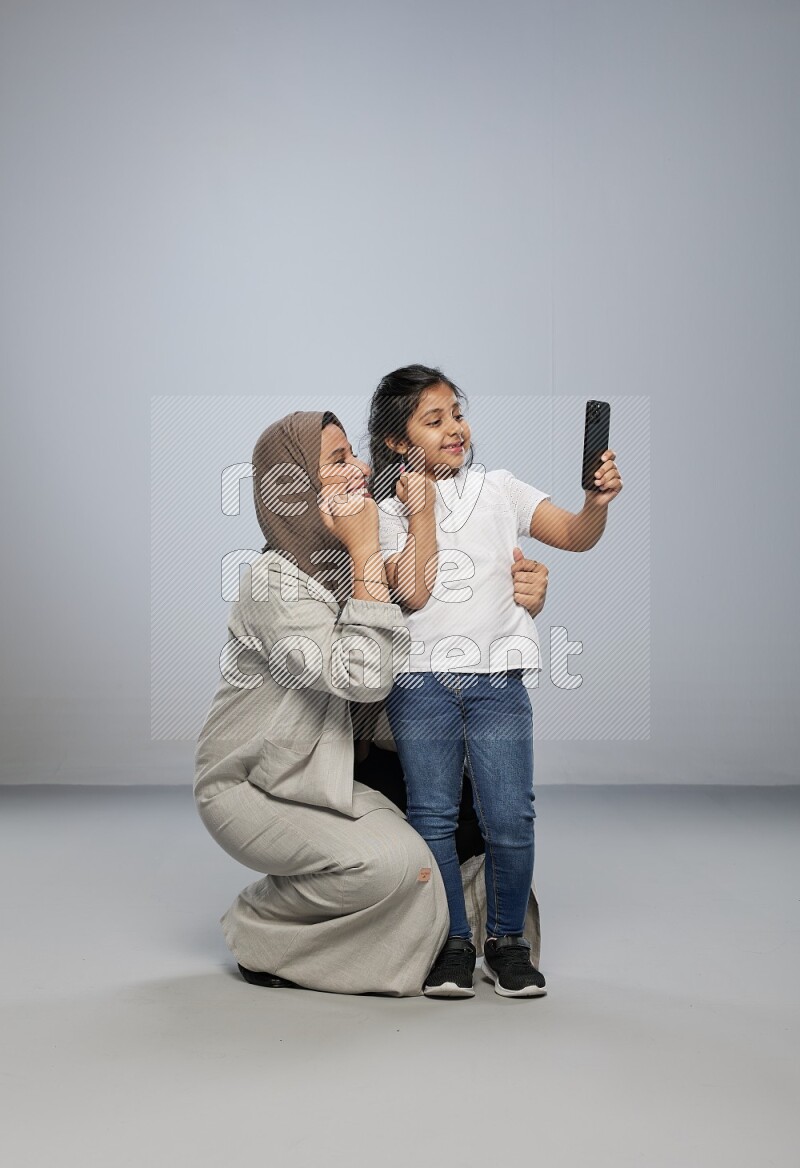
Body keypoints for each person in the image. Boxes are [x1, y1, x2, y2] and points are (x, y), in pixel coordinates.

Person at [193, 409, 548, 996]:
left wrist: (517, 603)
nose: (360, 467)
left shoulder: (367, 564)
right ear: (296, 488)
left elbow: (429, 647)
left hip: (339, 768)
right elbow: (361, 676)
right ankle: (263, 930)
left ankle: (446, 938)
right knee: (397, 868)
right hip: (258, 784)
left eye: (353, 454)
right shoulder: (273, 583)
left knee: (476, 847)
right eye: (338, 461)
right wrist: (363, 554)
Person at [368, 366, 623, 999]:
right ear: (399, 442)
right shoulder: (382, 511)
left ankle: (507, 941)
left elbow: (574, 536)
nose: (455, 428)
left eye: (457, 413)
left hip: (496, 683)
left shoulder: (500, 489)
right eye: (434, 421)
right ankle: (453, 940)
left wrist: (595, 504)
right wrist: (418, 505)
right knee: (434, 816)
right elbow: (411, 590)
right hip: (420, 683)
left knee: (511, 817)